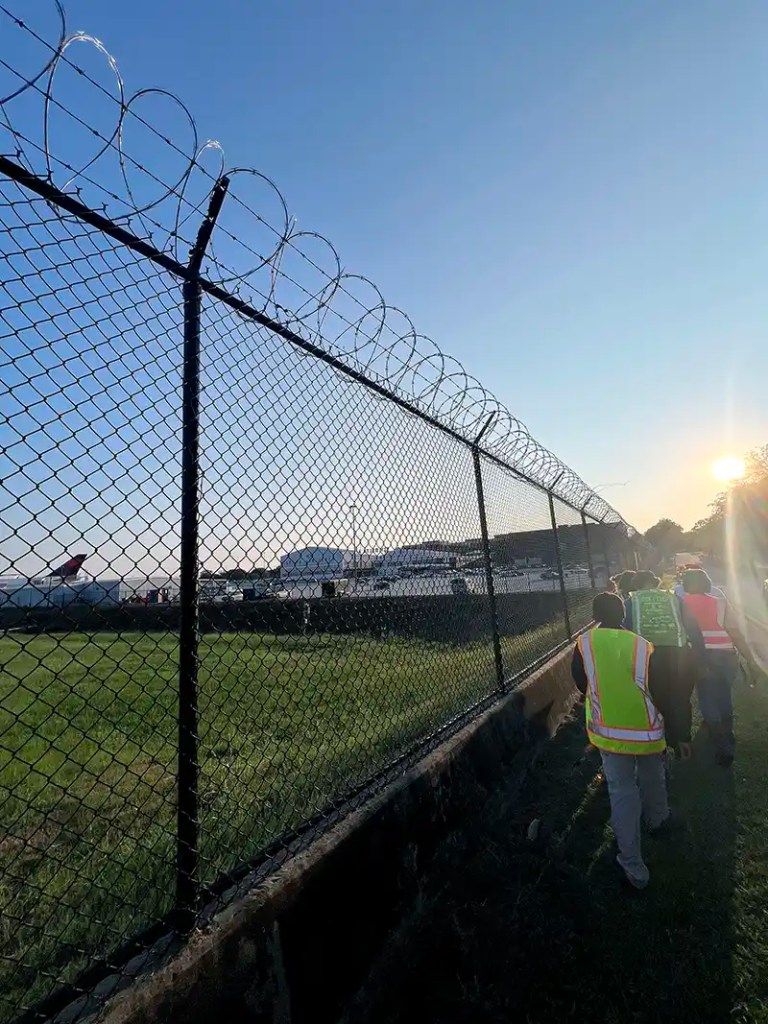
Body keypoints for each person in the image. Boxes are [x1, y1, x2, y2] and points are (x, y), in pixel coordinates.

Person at [571, 592, 670, 890]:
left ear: (595, 615)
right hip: (646, 729)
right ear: (623, 613)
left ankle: (633, 867)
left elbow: (580, 679)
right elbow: (659, 687)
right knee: (653, 775)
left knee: (622, 791)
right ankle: (658, 819)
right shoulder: (641, 645)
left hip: (609, 731)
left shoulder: (585, 643)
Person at [624, 570, 705, 760]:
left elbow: (625, 630)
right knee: (680, 699)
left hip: (650, 659)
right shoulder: (674, 599)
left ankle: (662, 745)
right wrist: (700, 658)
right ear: (657, 583)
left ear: (636, 585)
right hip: (680, 656)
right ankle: (683, 742)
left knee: (656, 700)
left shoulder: (631, 602)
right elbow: (693, 628)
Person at [680, 568, 738, 766]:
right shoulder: (720, 603)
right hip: (727, 654)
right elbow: (735, 630)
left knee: (707, 699)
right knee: (724, 697)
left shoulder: (682, 603)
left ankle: (722, 744)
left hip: (703, 655)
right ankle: (727, 736)